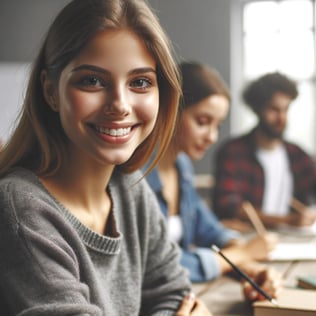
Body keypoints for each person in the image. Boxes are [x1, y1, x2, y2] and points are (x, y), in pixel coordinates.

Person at [0, 1, 211, 315]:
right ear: (50, 92)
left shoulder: (130, 188)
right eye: (92, 80)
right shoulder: (21, 209)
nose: (120, 105)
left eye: (140, 82)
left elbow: (176, 294)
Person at [144, 61, 281, 301]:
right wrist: (236, 257)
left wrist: (246, 263)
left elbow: (209, 230)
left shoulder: (182, 167)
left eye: (217, 125)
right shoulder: (134, 175)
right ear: (170, 110)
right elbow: (152, 265)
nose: (212, 137)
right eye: (203, 121)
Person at [213, 72, 316, 230]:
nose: (281, 118)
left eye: (286, 109)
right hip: (249, 239)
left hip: (294, 240)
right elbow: (229, 207)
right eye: (274, 110)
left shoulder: (297, 154)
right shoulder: (233, 152)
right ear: (257, 109)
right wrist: (288, 220)